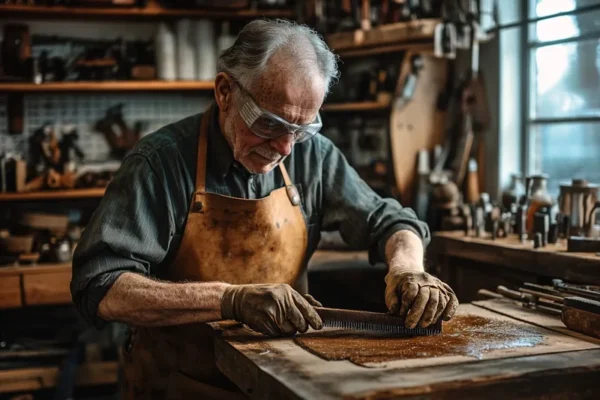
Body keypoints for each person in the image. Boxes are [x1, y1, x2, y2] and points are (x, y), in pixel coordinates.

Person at [71, 19, 458, 399]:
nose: (287, 147)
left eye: (303, 129)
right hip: (178, 384)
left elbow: (389, 221)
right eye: (270, 124)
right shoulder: (160, 163)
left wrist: (409, 269)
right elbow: (102, 286)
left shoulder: (313, 158)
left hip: (283, 383)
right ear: (225, 93)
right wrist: (230, 300)